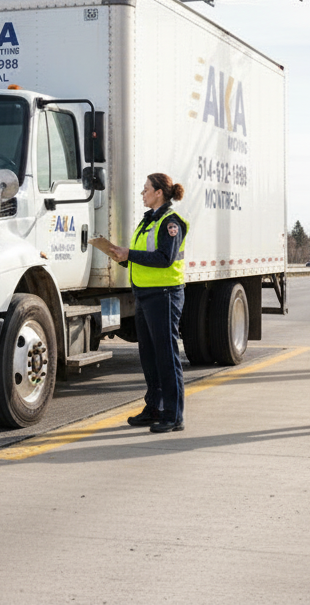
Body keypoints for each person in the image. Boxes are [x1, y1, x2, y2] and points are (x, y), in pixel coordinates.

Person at [92, 173, 189, 434]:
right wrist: (119, 255)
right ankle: (154, 408)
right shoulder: (149, 221)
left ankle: (173, 415)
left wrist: (130, 253)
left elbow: (164, 258)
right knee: (149, 356)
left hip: (164, 294)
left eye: (146, 189)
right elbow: (142, 258)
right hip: (145, 295)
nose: (142, 193)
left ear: (159, 192)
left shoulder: (171, 222)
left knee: (167, 357)